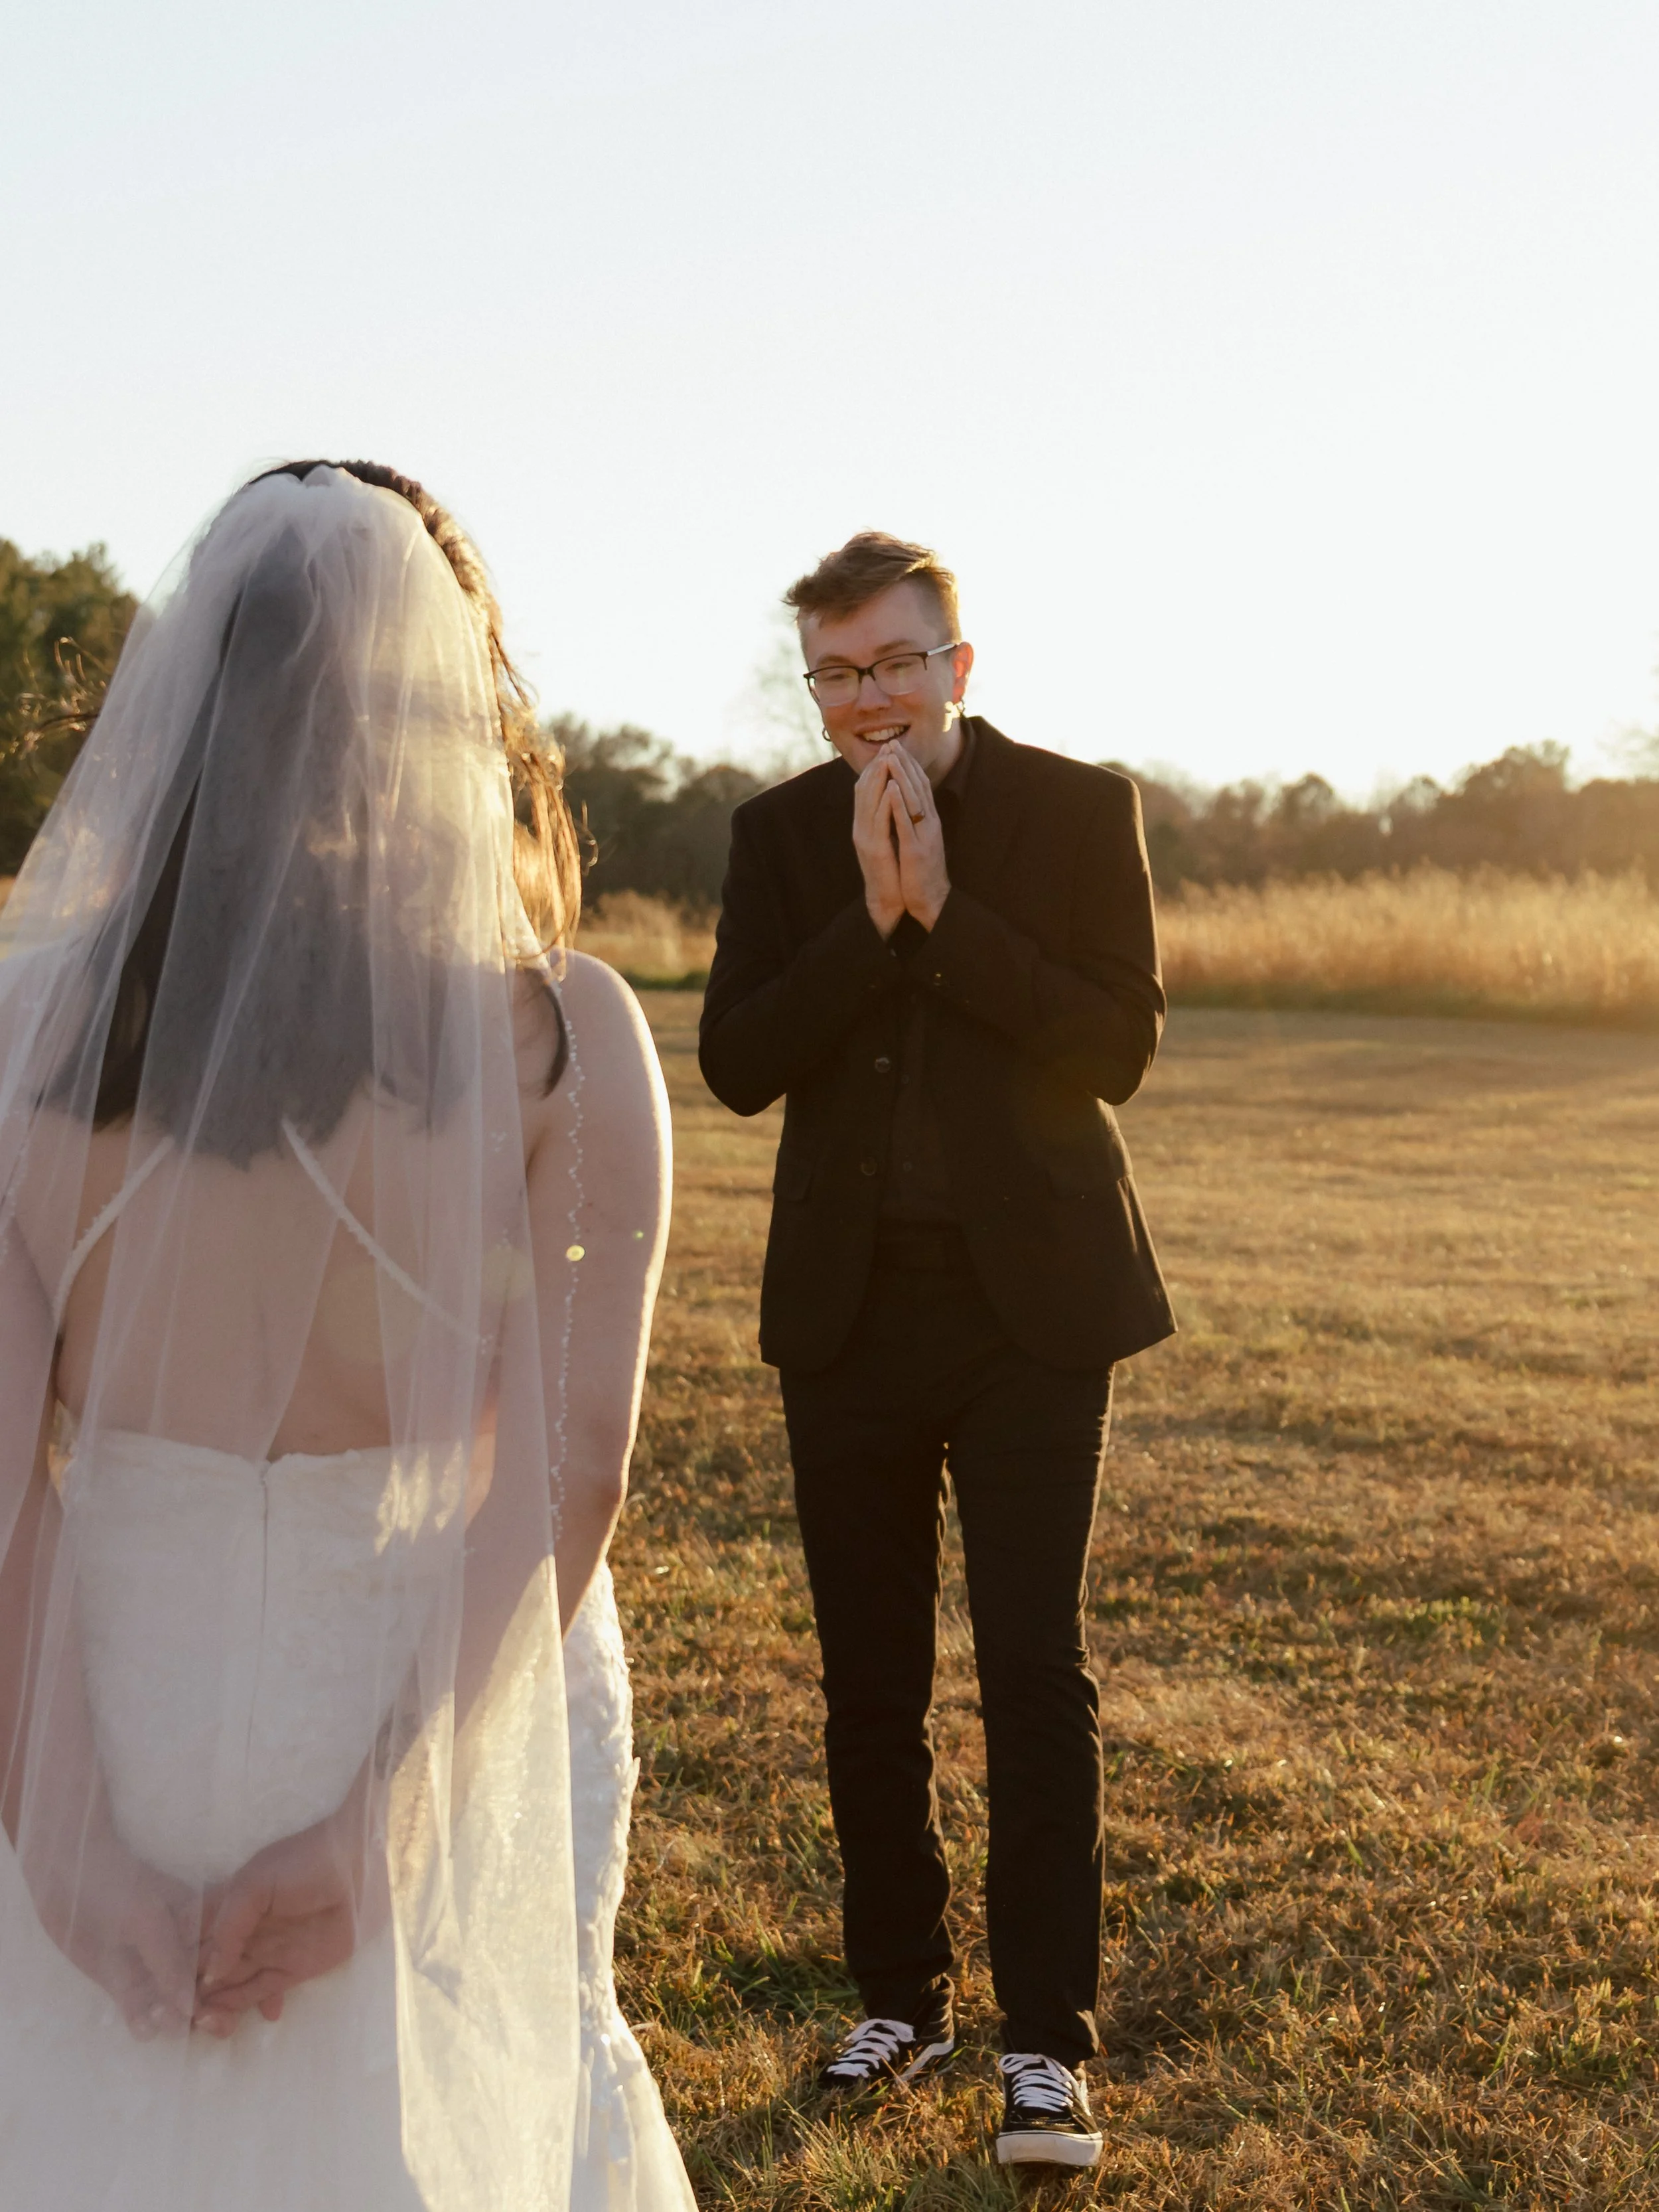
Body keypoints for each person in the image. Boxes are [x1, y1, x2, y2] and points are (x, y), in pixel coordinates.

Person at [0, 461, 695, 2211]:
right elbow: (573, 1464)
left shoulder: (22, 1036)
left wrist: (57, 1834)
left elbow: (5, 1487)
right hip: (424, 1672)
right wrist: (382, 1823)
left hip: (109, 1683)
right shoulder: (558, 1043)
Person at [699, 532, 1175, 2170]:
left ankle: (1046, 2047)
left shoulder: (1073, 808)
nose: (864, 699)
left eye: (892, 663)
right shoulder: (773, 834)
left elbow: (1114, 1044)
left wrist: (945, 916)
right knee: (867, 1683)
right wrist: (868, 917)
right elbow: (737, 1062)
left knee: (1032, 1673)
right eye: (834, 674)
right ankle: (901, 1994)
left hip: (1032, 1313)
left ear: (956, 664)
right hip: (844, 1316)